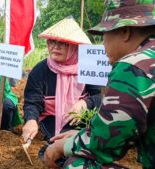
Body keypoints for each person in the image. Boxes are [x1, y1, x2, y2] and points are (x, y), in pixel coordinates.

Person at [44, 1, 155, 168]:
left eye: (104, 34)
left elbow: (106, 144)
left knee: (77, 164)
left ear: (125, 31)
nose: (102, 43)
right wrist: (86, 134)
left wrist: (63, 146)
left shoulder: (134, 65)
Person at [22, 16, 101, 142]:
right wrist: (31, 120)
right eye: (52, 42)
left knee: (89, 138)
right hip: (51, 117)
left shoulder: (89, 67)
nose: (55, 47)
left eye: (63, 43)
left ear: (75, 47)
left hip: (82, 117)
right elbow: (32, 102)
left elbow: (101, 96)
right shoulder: (40, 70)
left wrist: (85, 103)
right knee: (61, 140)